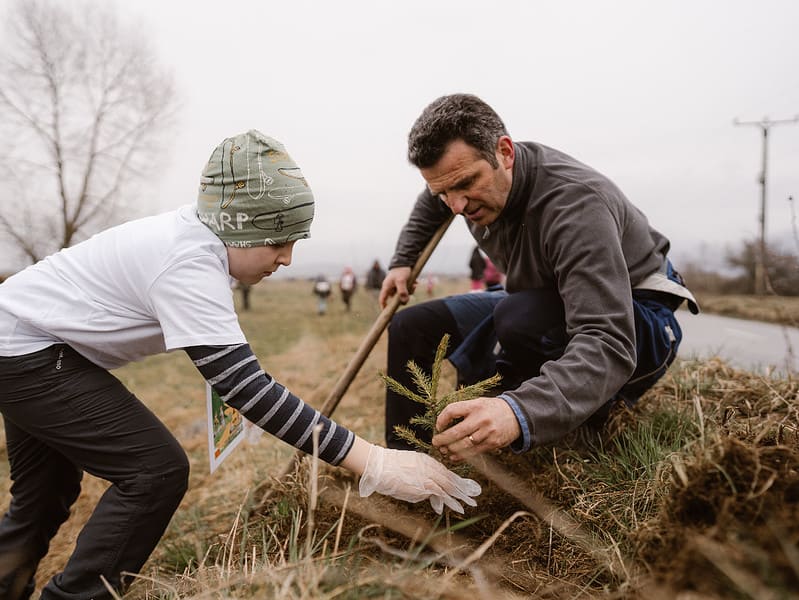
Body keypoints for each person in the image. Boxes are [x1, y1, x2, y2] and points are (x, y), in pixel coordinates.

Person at [0, 130, 480, 599]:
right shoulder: (186, 262)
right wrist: (372, 460)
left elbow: (233, 374)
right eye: (278, 242)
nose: (289, 259)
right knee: (155, 471)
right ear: (240, 228)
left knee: (45, 494)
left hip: (22, 336)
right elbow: (247, 389)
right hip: (23, 348)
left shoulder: (198, 242)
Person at [379, 94, 698, 463]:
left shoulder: (576, 207)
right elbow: (432, 201)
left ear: (505, 153)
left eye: (466, 184)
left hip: (635, 316)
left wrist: (517, 411)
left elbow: (607, 341)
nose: (457, 206)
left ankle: (582, 421)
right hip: (541, 296)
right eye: (444, 192)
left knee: (521, 317)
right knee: (411, 325)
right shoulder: (460, 183)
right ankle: (407, 466)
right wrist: (402, 261)